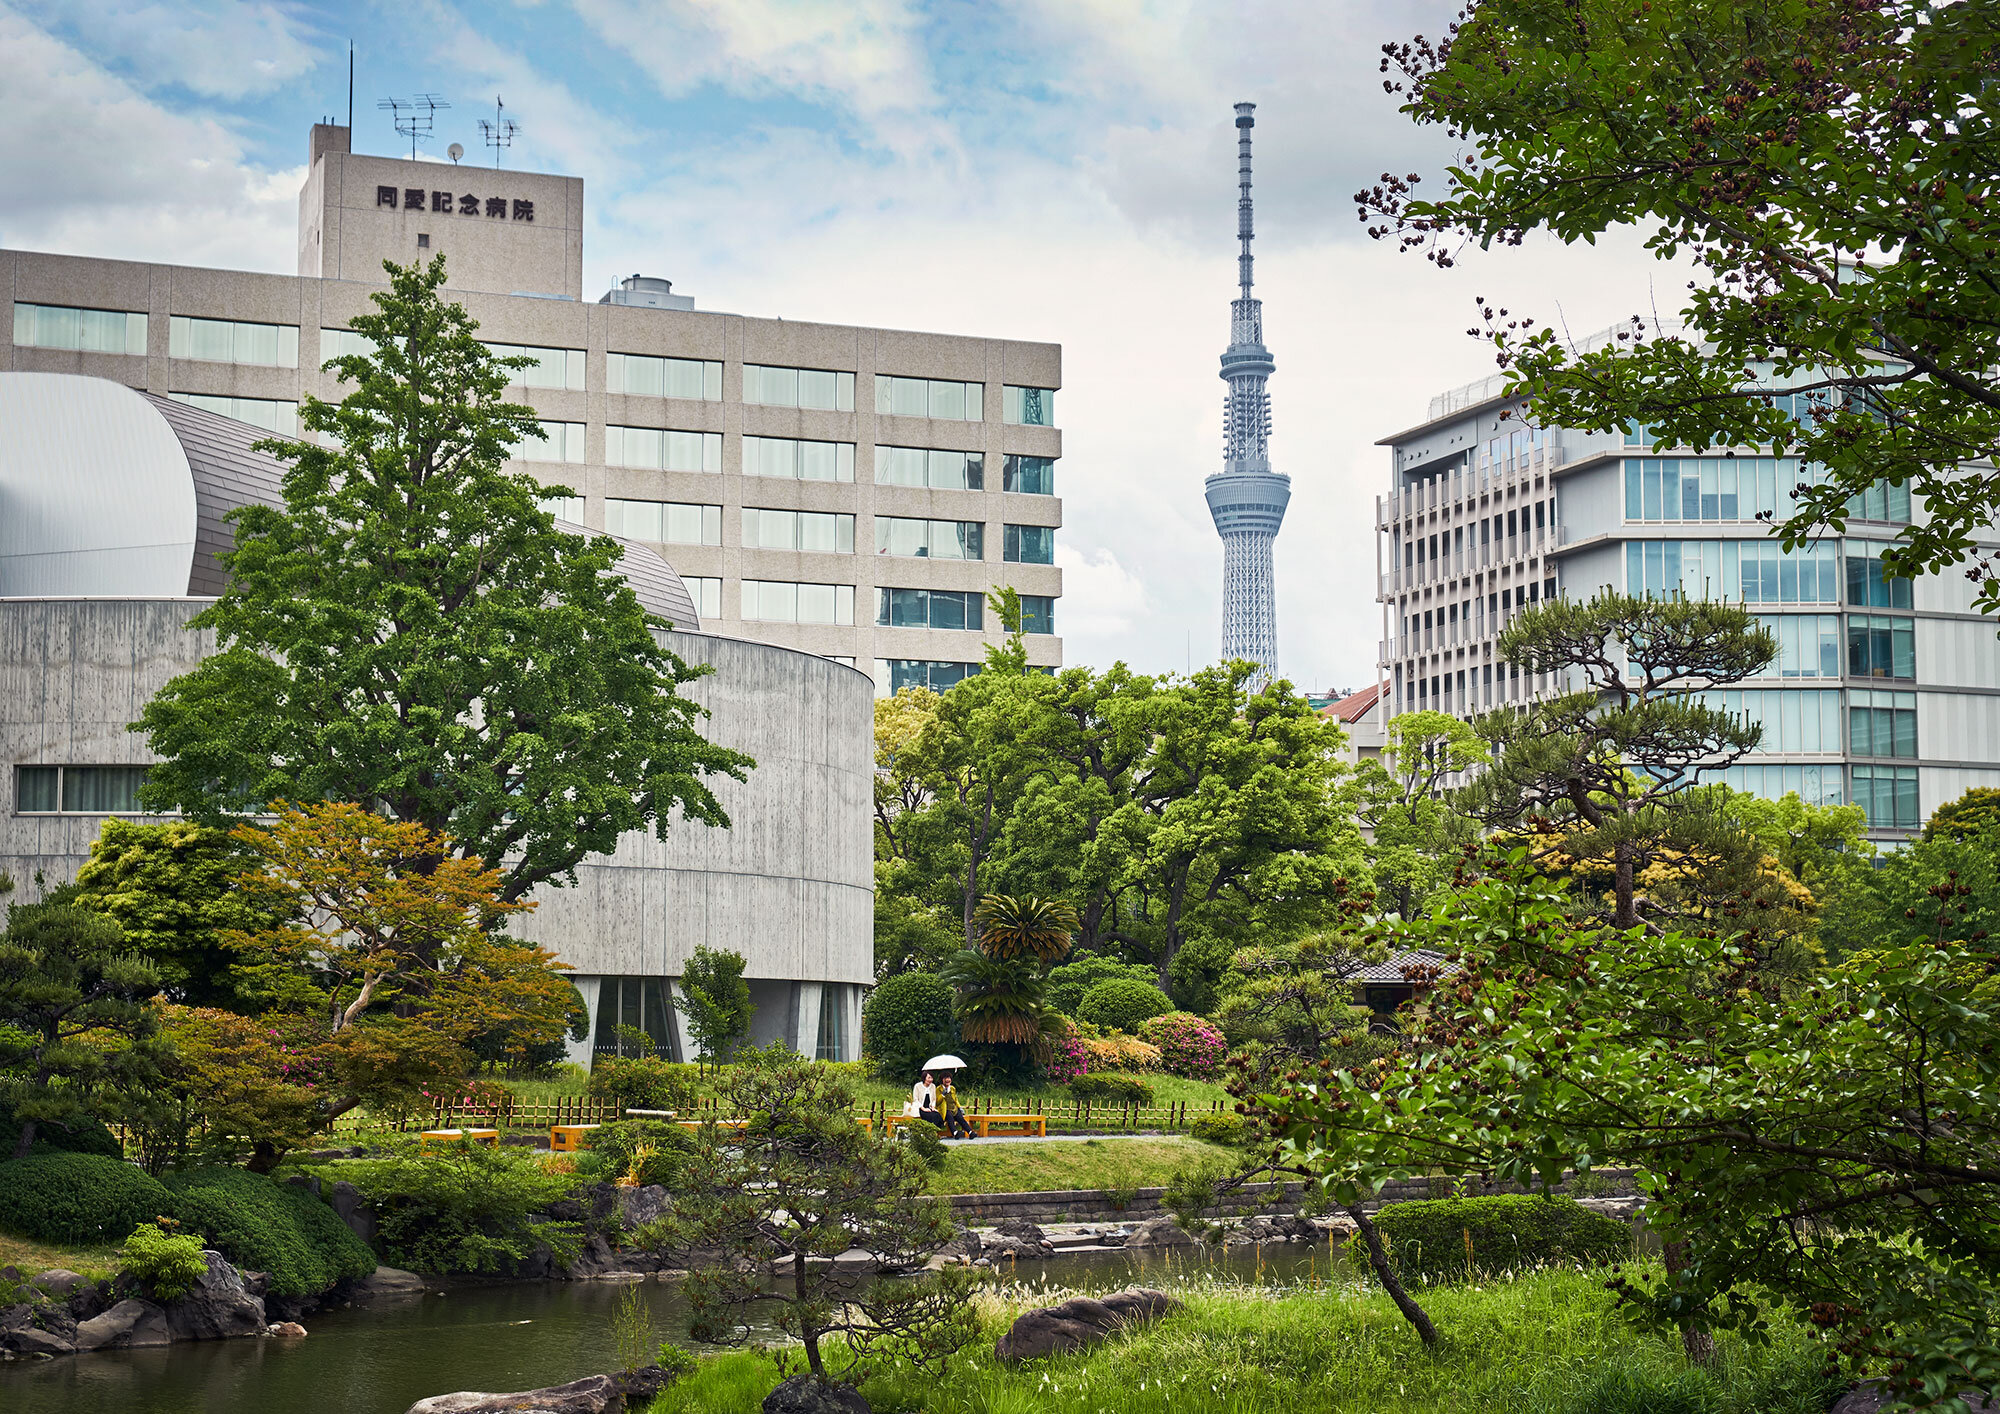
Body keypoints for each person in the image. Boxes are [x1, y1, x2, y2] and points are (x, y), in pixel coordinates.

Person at [936, 1073, 973, 1139]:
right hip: (944, 1109)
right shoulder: (938, 1089)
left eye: (949, 1078)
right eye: (945, 1078)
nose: (947, 1080)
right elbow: (937, 1102)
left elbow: (955, 1099)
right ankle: (955, 1133)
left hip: (953, 1108)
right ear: (942, 1080)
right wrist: (942, 1095)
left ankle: (970, 1132)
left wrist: (959, 1107)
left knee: (960, 1118)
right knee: (950, 1118)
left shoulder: (952, 1088)